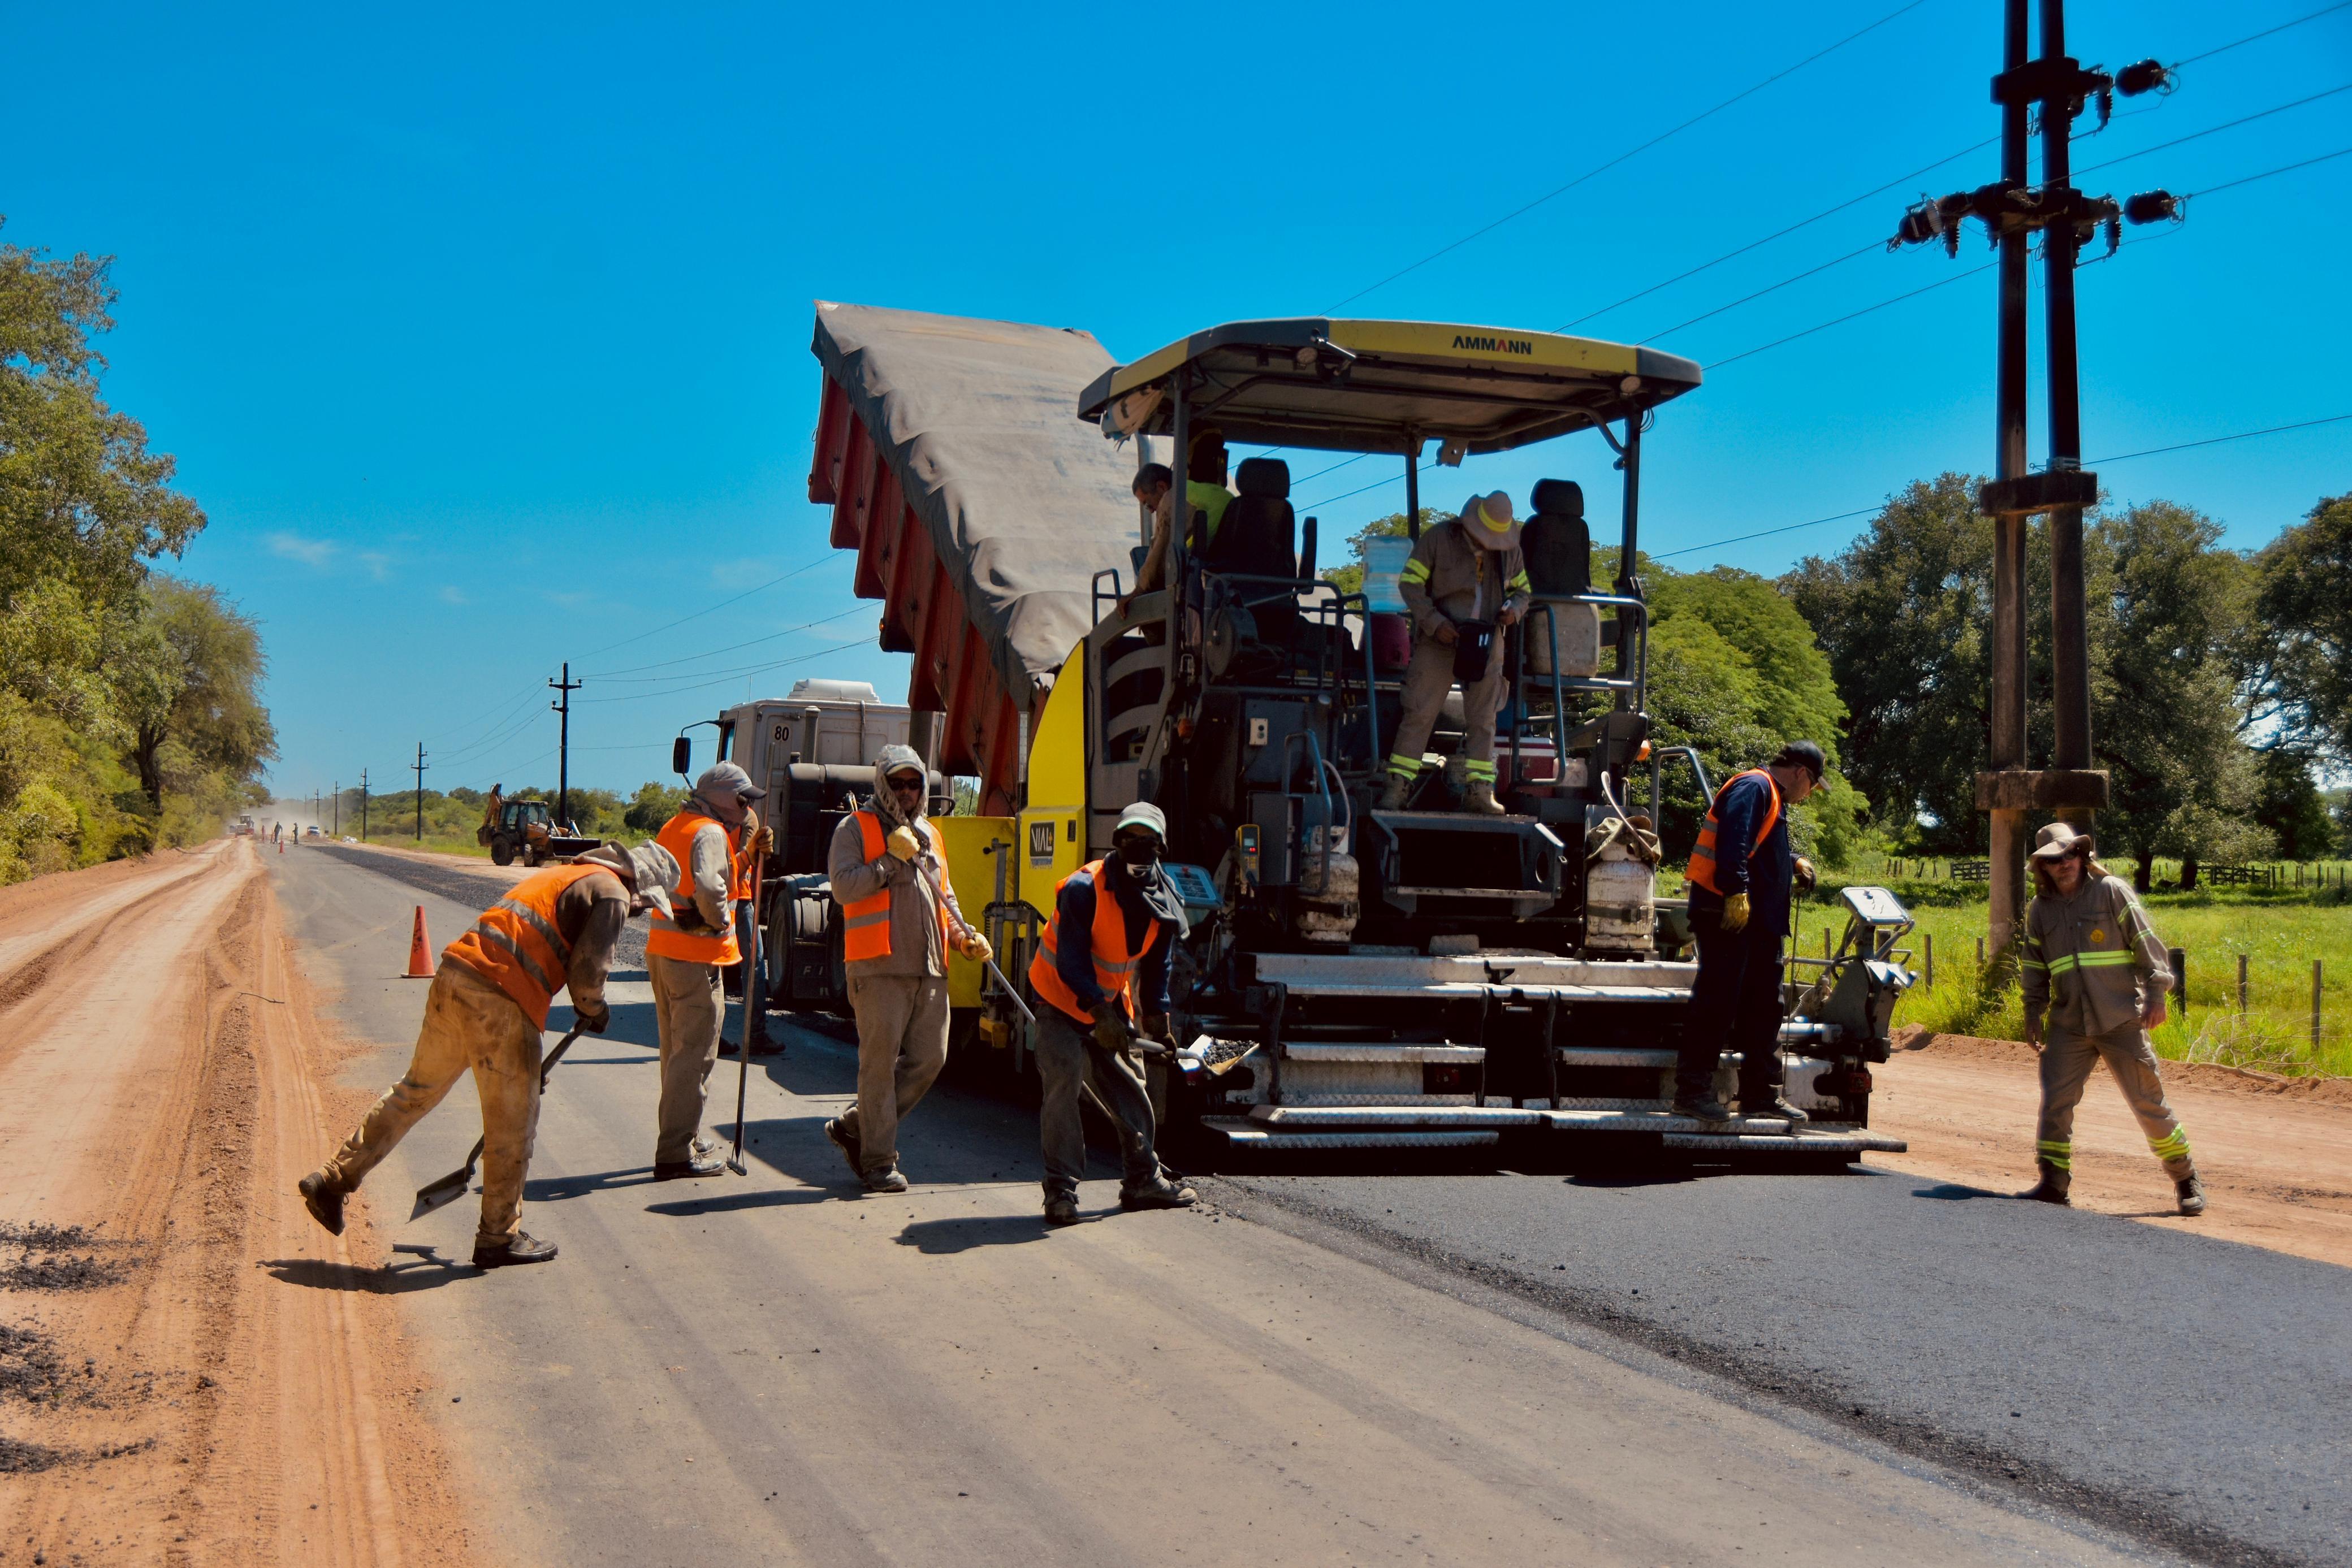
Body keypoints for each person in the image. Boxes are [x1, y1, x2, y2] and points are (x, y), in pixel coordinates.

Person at [296, 841, 679, 1266]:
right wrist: (595, 1008)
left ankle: (333, 1179)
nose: (640, 911)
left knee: (415, 1091)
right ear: (642, 886)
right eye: (646, 904)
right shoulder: (612, 892)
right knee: (511, 1126)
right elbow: (588, 975)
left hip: (456, 976)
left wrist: (529, 1065)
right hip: (499, 999)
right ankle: (498, 1237)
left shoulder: (568, 874)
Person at [823, 745, 991, 1193]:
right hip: (878, 966)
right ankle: (878, 1160)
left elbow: (944, 894)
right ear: (882, 783)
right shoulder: (854, 828)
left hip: (930, 967)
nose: (906, 791)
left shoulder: (932, 835)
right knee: (877, 1066)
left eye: (914, 783)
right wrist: (889, 861)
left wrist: (963, 934)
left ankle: (857, 1125)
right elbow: (843, 888)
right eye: (897, 783)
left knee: (931, 1058)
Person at [2018, 822, 2205, 1215]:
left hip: (2120, 1018)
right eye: (2054, 858)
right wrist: (2032, 1010)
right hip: (2069, 1023)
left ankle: (2186, 1180)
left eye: (2070, 854)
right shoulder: (2040, 909)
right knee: (2056, 1105)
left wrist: (2157, 993)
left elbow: (2147, 944)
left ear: (2083, 856)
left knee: (2148, 1102)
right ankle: (2053, 1183)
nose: (2064, 863)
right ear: (2043, 867)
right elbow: (2035, 965)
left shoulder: (2111, 891)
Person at [1026, 802, 1199, 1227]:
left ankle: (1143, 1179)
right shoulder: (1084, 889)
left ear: (1160, 846)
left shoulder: (1164, 898)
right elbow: (1071, 962)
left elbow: (1159, 966)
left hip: (1109, 1003)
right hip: (1061, 1000)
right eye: (1129, 839)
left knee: (1131, 1089)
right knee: (1064, 1087)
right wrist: (1098, 1014)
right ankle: (1060, 1192)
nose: (1138, 848)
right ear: (1116, 842)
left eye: (1148, 841)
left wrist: (1157, 1019)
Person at [1671, 742, 1826, 1126]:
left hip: (1758, 926)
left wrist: (1792, 862)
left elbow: (1757, 848)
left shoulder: (1770, 796)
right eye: (1812, 787)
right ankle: (1692, 1093)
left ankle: (1760, 1094)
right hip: (1729, 917)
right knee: (1717, 1003)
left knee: (1763, 1009)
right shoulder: (1754, 787)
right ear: (1802, 774)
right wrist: (1736, 892)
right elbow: (1734, 843)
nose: (1809, 796)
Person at [643, 762, 768, 1180]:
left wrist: (747, 855)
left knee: (676, 1053)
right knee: (694, 1057)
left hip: (663, 952)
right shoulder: (711, 831)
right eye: (742, 799)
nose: (747, 807)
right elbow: (713, 888)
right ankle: (676, 1152)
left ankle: (684, 1135)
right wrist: (718, 924)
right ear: (719, 798)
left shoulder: (675, 826)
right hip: (695, 957)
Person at [1377, 492, 1534, 815]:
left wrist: (1513, 612)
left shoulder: (1511, 551)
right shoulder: (1438, 539)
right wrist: (1435, 623)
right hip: (1440, 640)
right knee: (1419, 712)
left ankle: (1480, 792)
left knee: (1484, 720)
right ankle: (1397, 787)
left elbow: (1524, 592)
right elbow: (1410, 584)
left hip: (1487, 641)